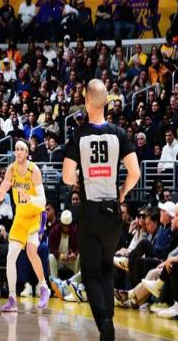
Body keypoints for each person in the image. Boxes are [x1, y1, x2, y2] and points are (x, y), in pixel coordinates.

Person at [62, 79, 140, 340]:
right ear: (106, 101)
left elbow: (67, 176)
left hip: (90, 211)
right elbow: (135, 173)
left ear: (86, 101)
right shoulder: (119, 134)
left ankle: (104, 321)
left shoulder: (79, 134)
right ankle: (109, 321)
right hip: (112, 212)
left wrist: (80, 177)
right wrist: (121, 193)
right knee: (107, 268)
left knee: (91, 272)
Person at [0, 140, 50, 312]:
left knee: (31, 251)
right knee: (10, 257)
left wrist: (30, 198)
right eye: (17, 149)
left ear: (27, 153)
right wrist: (1, 192)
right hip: (20, 216)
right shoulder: (11, 169)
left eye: (22, 149)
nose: (19, 151)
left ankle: (44, 286)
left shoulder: (34, 170)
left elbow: (43, 201)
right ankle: (12, 298)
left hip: (35, 215)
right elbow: (2, 191)